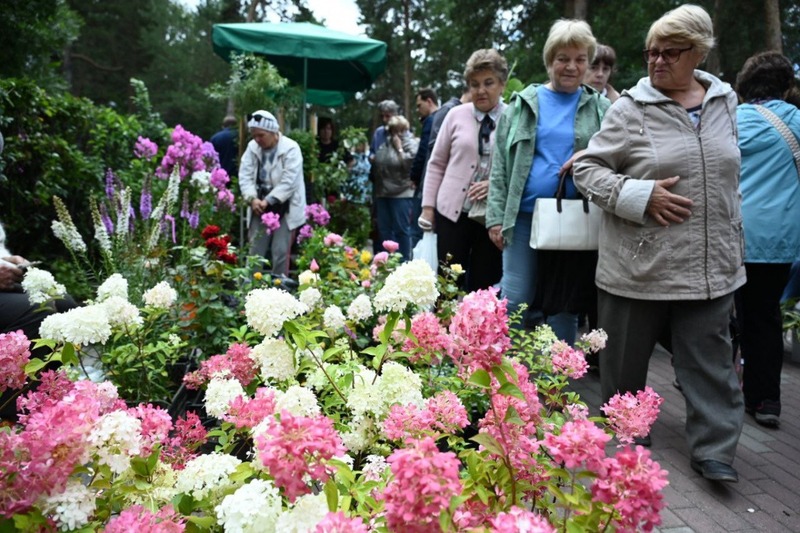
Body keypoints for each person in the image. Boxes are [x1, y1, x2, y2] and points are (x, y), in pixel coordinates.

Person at [574, 4, 745, 483]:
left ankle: (715, 449)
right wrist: (639, 195)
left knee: (710, 361)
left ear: (698, 52)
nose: (656, 61)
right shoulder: (630, 108)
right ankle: (630, 426)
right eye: (651, 53)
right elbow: (587, 170)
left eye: (670, 52)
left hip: (711, 263)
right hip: (639, 265)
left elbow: (730, 175)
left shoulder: (724, 102)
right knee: (624, 363)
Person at [486, 19, 609, 343]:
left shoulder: (601, 107)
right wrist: (495, 217)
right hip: (524, 217)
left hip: (575, 221)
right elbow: (500, 164)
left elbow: (618, 155)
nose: (571, 66)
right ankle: (498, 374)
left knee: (565, 304)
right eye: (563, 58)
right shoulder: (523, 105)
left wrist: (587, 156)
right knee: (515, 296)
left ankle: (558, 382)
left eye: (580, 59)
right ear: (550, 60)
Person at [733, 51, 800, 429]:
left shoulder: (729, 120)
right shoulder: (797, 122)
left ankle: (725, 387)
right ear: (787, 87)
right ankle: (766, 400)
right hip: (778, 239)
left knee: (727, 314)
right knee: (765, 316)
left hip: (733, 233)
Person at [419, 49, 506, 291]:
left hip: (492, 216)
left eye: (489, 83)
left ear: (502, 85)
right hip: (452, 213)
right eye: (475, 84)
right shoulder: (455, 115)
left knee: (483, 287)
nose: (481, 90)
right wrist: (427, 209)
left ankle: (476, 330)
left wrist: (494, 185)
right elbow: (436, 163)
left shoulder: (513, 118)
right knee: (447, 285)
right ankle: (442, 329)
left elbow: (519, 168)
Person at [239, 110, 307, 277]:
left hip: (285, 207)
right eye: (254, 135)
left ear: (273, 132)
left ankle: (280, 288)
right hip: (259, 206)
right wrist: (252, 198)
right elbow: (245, 175)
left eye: (261, 135)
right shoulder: (252, 148)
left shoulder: (291, 148)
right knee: (255, 250)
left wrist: (269, 200)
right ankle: (249, 291)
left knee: (280, 251)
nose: (257, 139)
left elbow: (289, 181)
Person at [373, 115, 419, 261]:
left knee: (401, 230)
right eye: (393, 130)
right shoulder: (385, 144)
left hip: (402, 193)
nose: (396, 134)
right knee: (384, 230)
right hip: (383, 193)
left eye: (399, 130)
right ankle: (386, 262)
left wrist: (399, 149)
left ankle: (404, 261)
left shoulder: (411, 143)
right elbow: (377, 162)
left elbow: (410, 165)